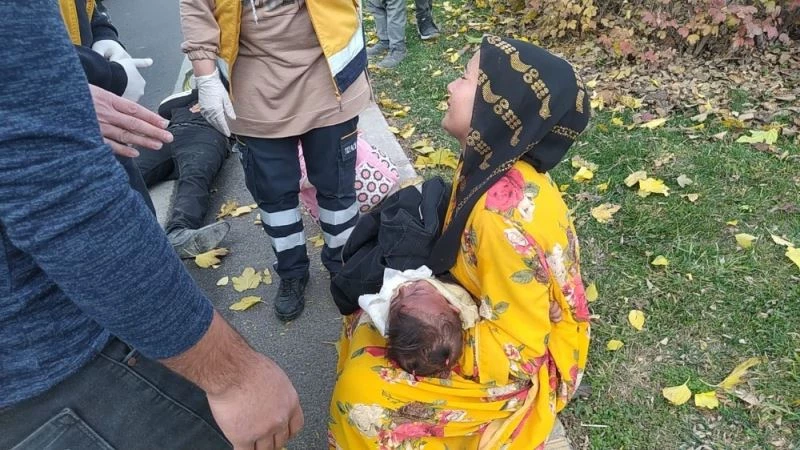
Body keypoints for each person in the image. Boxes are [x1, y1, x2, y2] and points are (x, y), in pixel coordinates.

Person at [1, 3, 303, 450]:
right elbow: (61, 192)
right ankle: (177, 231)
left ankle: (179, 227)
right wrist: (234, 376)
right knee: (157, 171)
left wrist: (68, 85)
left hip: (191, 137)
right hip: (61, 349)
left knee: (194, 175)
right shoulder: (180, 97)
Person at [328, 36, 591, 449]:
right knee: (370, 318)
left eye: (466, 79)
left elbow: (519, 353)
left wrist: (427, 340)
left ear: (499, 109)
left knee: (361, 397)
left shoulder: (499, 217)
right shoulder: (492, 165)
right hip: (482, 310)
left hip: (521, 362)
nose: (451, 86)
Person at [180, 0, 371, 322]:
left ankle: (343, 266)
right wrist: (206, 76)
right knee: (274, 198)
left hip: (329, 79)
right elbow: (196, 6)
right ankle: (292, 272)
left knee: (337, 190)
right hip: (253, 89)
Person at [59, 0, 156, 212]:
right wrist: (108, 74)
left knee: (136, 207)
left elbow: (88, 8)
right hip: (45, 140)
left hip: (97, 119)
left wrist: (104, 34)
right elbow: (23, 50)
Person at [136, 87, 232, 258]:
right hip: (169, 134)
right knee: (127, 174)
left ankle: (179, 232)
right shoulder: (183, 101)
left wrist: (222, 98)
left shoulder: (235, 98)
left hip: (208, 135)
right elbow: (164, 107)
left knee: (196, 177)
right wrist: (203, 93)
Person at [358, 266, 479, 377]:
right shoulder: (455, 294)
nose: (404, 288)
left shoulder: (385, 309)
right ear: (452, 307)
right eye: (418, 291)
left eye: (396, 301)